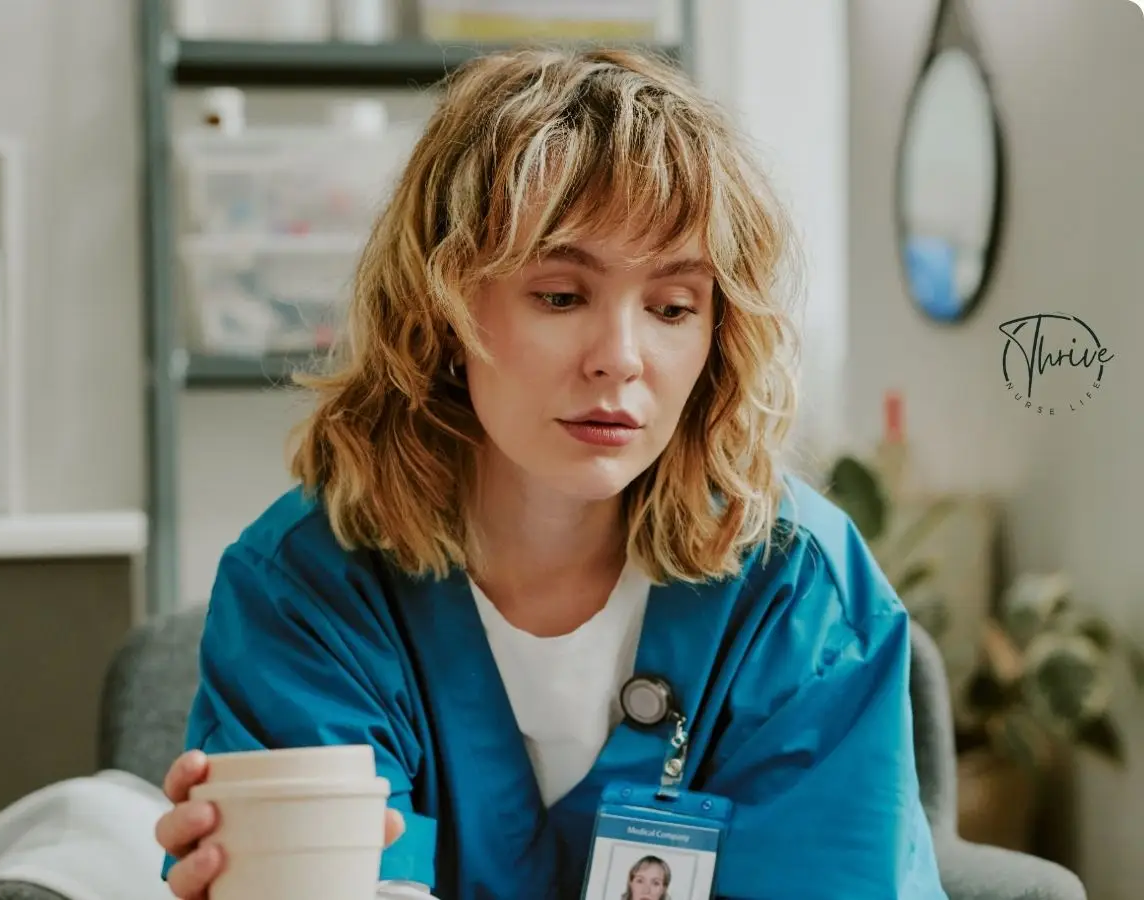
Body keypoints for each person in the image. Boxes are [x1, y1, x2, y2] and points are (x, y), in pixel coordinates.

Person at [153, 46, 947, 900]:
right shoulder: (309, 592)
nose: (621, 359)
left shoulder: (800, 594)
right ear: (442, 308)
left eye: (673, 308)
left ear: (719, 335)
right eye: (561, 296)